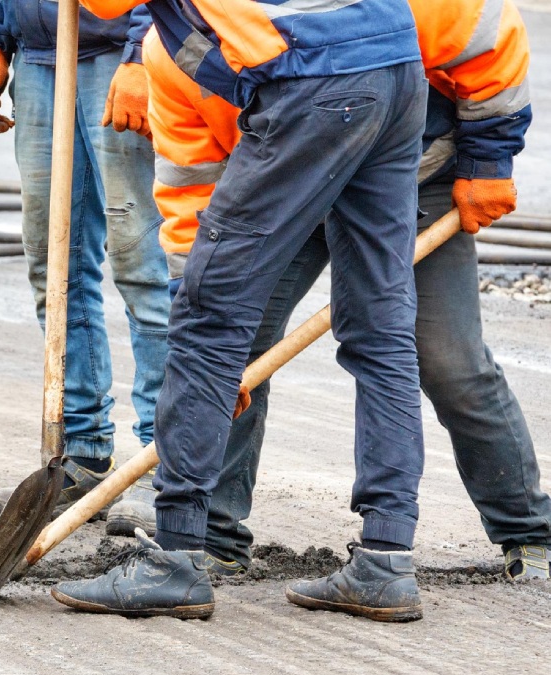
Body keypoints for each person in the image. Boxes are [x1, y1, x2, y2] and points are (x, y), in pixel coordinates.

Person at [50, 0, 430, 621]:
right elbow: (192, 195)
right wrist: (208, 378)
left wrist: (202, 355)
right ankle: (386, 560)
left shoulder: (166, 58)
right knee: (380, 324)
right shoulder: (176, 57)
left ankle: (175, 559)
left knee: (207, 324)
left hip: (314, 78)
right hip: (391, 62)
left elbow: (101, 5)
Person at [0, 0, 169, 526]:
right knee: (54, 266)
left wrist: (144, 52)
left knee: (143, 264)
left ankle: (165, 466)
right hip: (38, 62)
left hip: (122, 59)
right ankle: (82, 452)